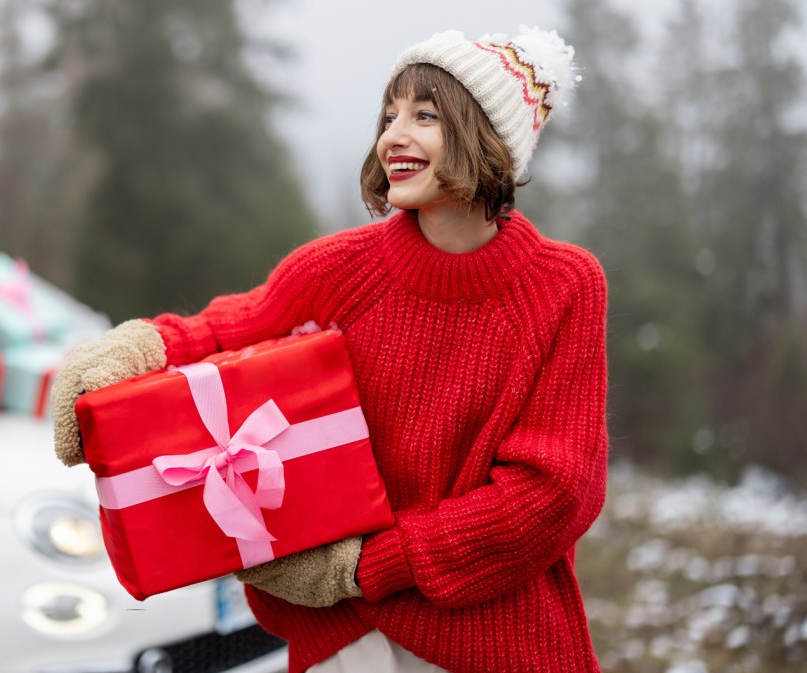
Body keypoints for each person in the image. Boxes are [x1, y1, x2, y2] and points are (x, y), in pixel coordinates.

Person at [51, 27, 607, 673]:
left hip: (495, 643)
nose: (393, 135)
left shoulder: (564, 286)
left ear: (488, 138)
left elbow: (552, 493)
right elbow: (235, 325)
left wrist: (368, 566)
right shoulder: (341, 268)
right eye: (389, 115)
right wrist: (135, 350)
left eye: (424, 115)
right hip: (350, 644)